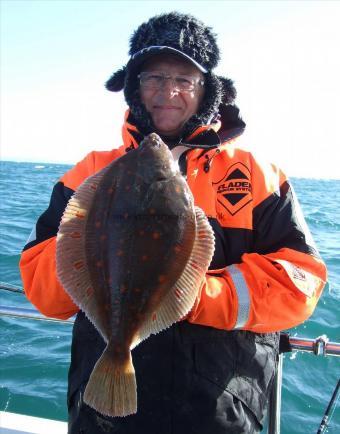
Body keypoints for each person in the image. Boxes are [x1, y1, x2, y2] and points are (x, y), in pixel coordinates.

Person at [19, 12, 327, 434]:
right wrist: (88, 250)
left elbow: (302, 282)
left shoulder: (257, 175)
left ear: (207, 90)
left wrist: (190, 294)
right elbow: (43, 292)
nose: (169, 91)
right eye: (154, 78)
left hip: (220, 413)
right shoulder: (91, 172)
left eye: (185, 78)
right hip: (104, 418)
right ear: (134, 86)